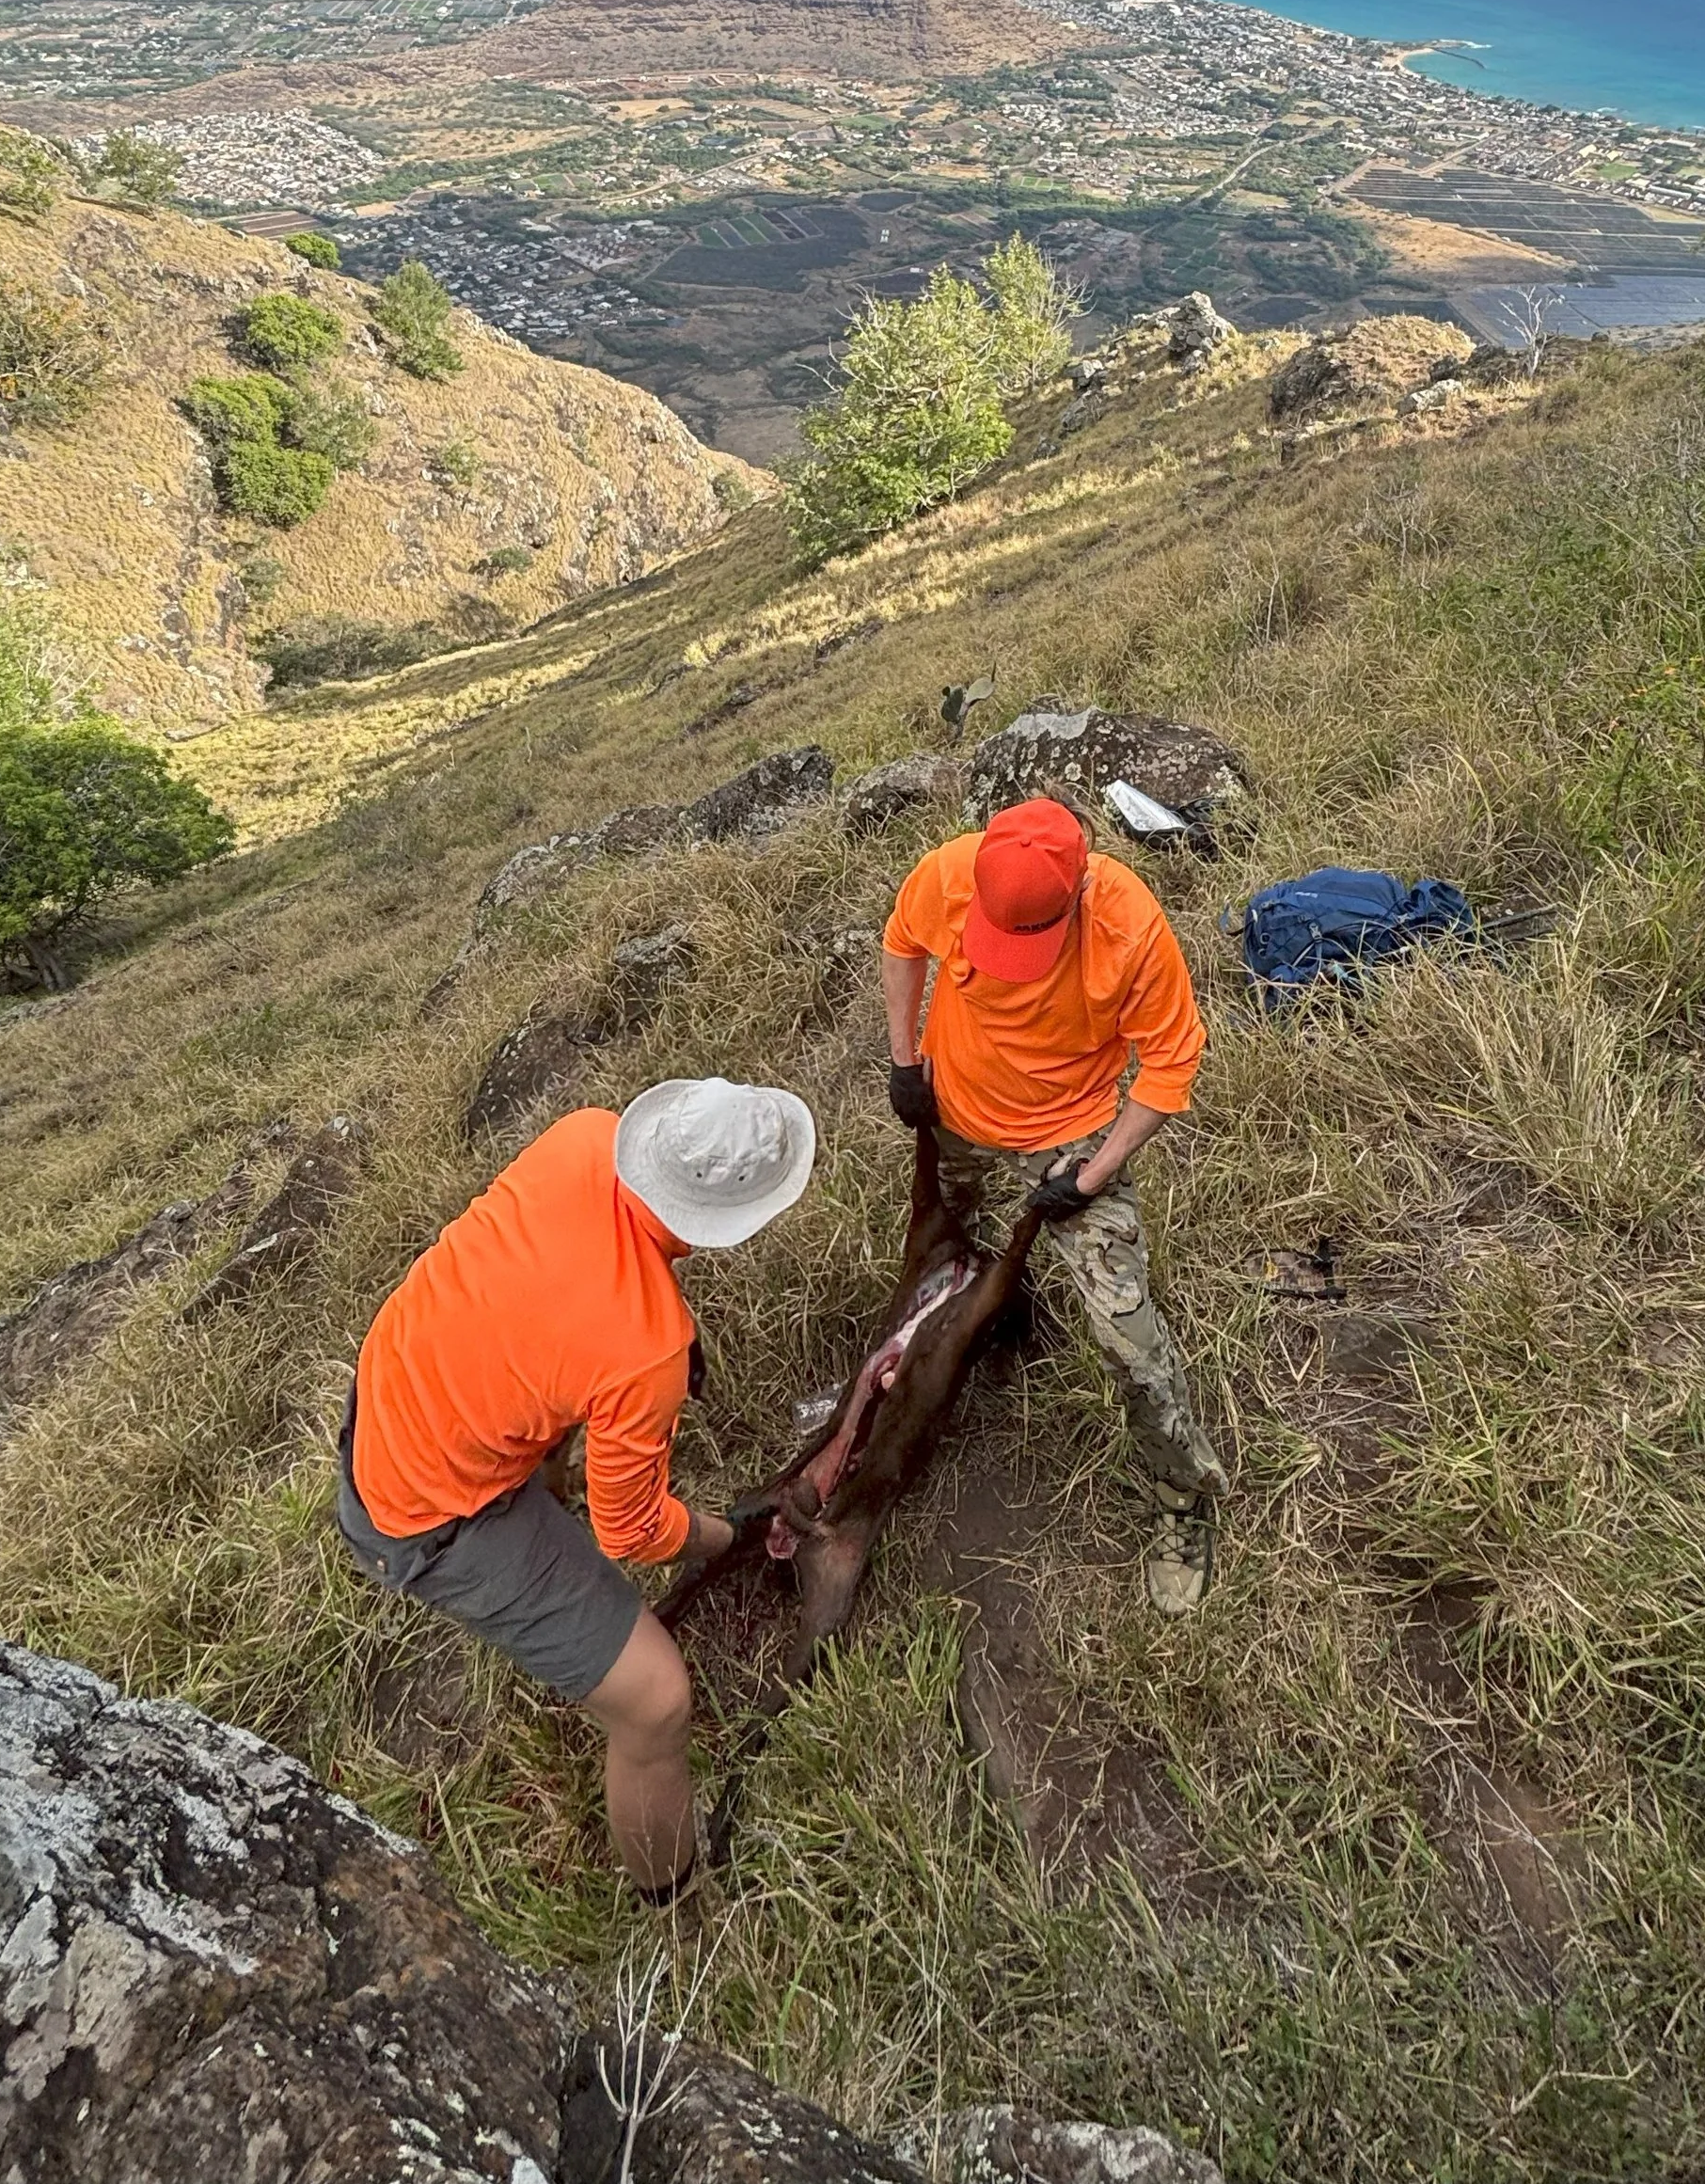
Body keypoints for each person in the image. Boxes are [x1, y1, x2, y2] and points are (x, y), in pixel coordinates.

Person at [337, 1077, 814, 1897]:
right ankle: (672, 1893)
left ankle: (554, 1573)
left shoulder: (583, 1137)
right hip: (426, 1517)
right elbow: (629, 1531)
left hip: (394, 1388)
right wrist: (723, 1534)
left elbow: (558, 1295)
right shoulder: (645, 1349)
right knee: (658, 1699)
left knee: (554, 1403)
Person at [880, 796, 1226, 1613]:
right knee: (942, 1244)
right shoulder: (953, 872)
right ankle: (987, 1322)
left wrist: (1094, 1173)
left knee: (1128, 1339)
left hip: (1071, 1134)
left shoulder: (1129, 928)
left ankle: (1183, 1497)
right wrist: (904, 1061)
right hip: (957, 1109)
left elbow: (1172, 1065)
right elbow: (902, 941)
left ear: (1077, 893)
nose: (1006, 963)